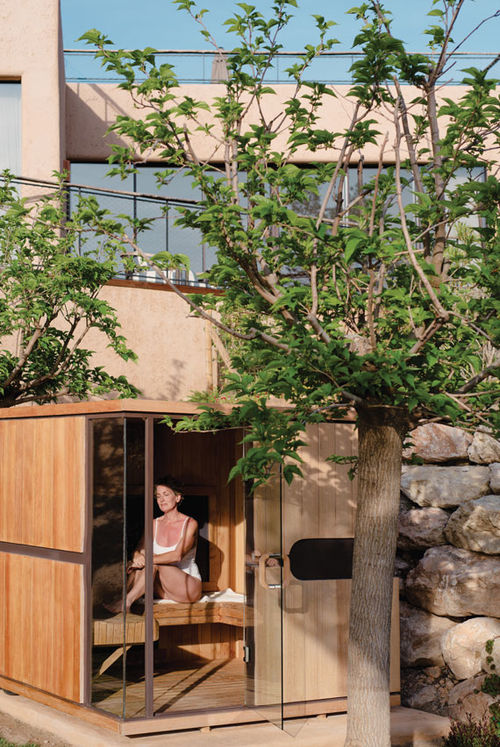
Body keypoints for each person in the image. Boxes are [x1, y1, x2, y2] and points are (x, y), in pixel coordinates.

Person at [106, 478, 202, 613]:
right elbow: (140, 549)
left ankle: (126, 602)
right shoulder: (153, 524)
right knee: (143, 561)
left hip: (187, 588)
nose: (161, 500)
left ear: (178, 497)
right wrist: (138, 556)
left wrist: (146, 559)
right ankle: (124, 599)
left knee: (153, 561)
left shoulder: (190, 523)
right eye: (158, 496)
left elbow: (177, 555)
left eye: (166, 494)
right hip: (163, 589)